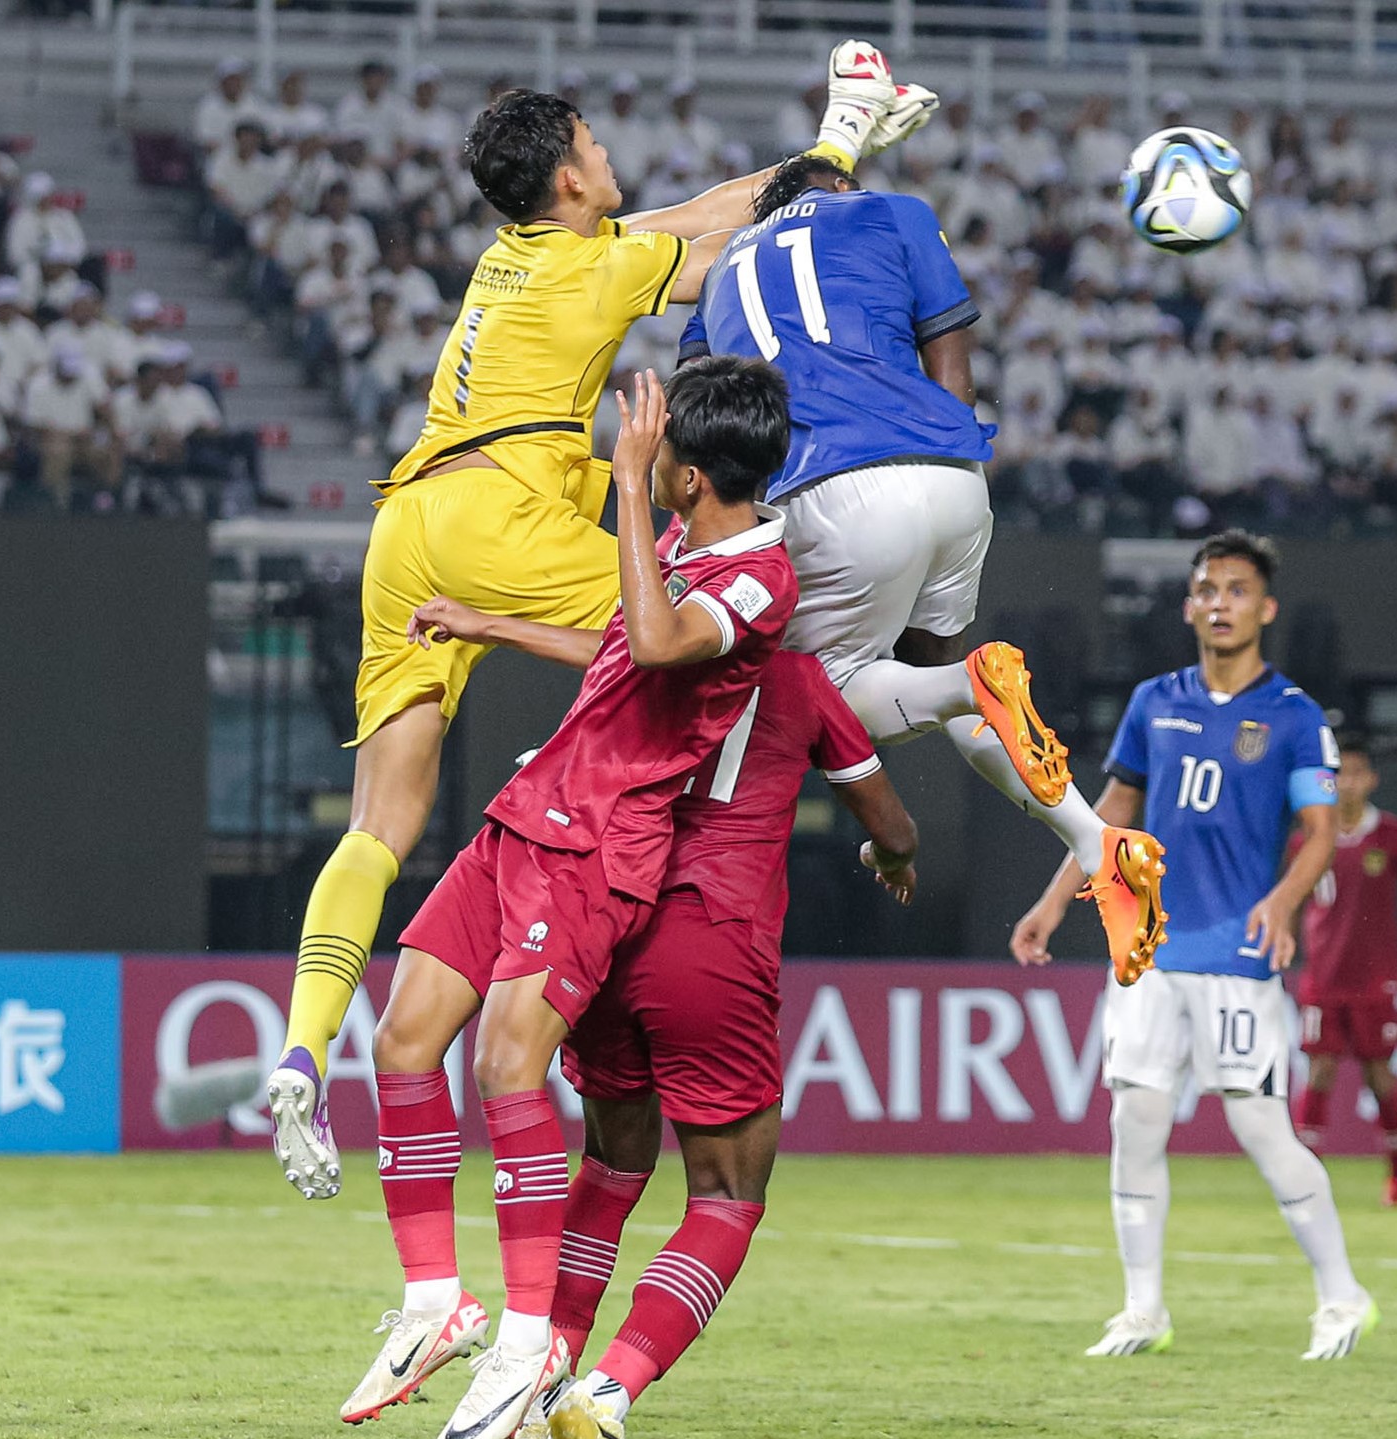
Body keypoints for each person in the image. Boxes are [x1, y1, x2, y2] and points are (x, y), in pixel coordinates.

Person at [268, 44, 936, 1201]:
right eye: (594, 143)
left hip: (410, 515)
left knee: (380, 822)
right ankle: (858, 731)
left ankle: (298, 1048)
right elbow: (739, 234)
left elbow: (699, 212)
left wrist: (843, 144)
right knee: (697, 633)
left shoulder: (518, 257)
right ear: (570, 180)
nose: (609, 153)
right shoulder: (595, 273)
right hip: (504, 512)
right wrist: (841, 141)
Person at [341, 359, 800, 1439]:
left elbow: (651, 642)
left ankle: (530, 1337)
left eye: (651, 442)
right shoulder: (686, 550)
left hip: (601, 847)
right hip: (527, 810)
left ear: (688, 472)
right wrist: (487, 623)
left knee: (506, 1063)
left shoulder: (760, 579)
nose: (626, 448)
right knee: (402, 1034)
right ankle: (435, 1299)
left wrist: (631, 494)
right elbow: (616, 649)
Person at [680, 154, 1166, 985]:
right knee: (930, 687)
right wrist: (952, 454)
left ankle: (961, 689)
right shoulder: (893, 211)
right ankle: (1096, 842)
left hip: (829, 486)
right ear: (835, 187)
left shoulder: (722, 269)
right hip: (948, 476)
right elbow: (950, 345)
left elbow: (707, 413)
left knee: (814, 698)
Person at [476, 647, 919, 1439]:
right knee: (725, 1194)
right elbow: (894, 828)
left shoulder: (640, 658)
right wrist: (890, 860)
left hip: (607, 918)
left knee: (611, 1166)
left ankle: (536, 1391)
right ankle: (601, 1398)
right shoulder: (796, 676)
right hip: (711, 934)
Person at [1009, 530, 1376, 1362]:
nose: (1220, 602)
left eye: (1237, 589)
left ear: (1265, 607)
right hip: (1147, 952)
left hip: (1238, 956)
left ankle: (1343, 1296)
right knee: (1133, 1122)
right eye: (1207, 588)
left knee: (1261, 1129)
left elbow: (1320, 832)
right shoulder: (1153, 701)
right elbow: (1108, 818)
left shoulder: (1294, 716)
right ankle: (1143, 1310)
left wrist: (1283, 904)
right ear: (1187, 605)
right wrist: (1050, 902)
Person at [1288, 731, 1397, 1207]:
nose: (1347, 783)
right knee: (1318, 1073)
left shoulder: (1394, 835)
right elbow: (1292, 897)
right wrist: (1285, 943)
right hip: (1323, 977)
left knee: (1380, 1076)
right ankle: (1303, 1182)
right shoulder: (1309, 837)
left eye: (1356, 773)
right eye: (1338, 774)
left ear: (1371, 779)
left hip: (1376, 979)